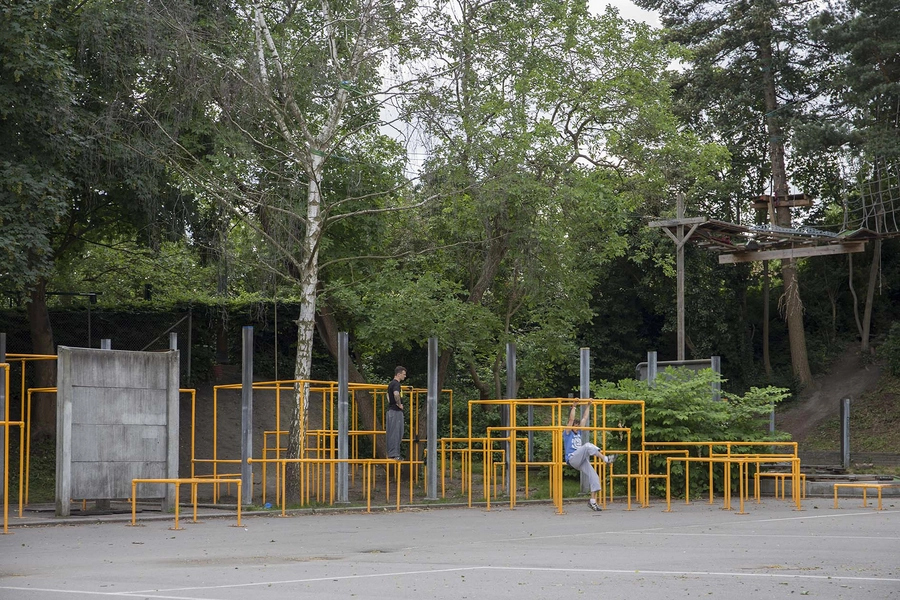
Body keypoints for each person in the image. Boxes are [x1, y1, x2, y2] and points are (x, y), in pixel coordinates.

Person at [563, 403, 616, 511]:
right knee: (587, 445)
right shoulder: (568, 433)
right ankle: (606, 459)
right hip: (572, 458)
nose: (577, 427)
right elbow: (571, 419)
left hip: (581, 459)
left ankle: (592, 502)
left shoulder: (579, 432)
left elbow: (585, 418)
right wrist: (574, 406)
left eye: (578, 426)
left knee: (595, 477)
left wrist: (588, 405)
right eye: (576, 425)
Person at [386, 366, 407, 460]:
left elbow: (387, 395)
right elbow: (396, 394)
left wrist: (391, 403)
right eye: (404, 374)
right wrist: (399, 404)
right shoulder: (396, 384)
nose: (405, 376)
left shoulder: (391, 384)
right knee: (396, 432)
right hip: (395, 411)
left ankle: (393, 453)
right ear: (398, 374)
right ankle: (394, 454)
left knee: (393, 432)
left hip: (391, 410)